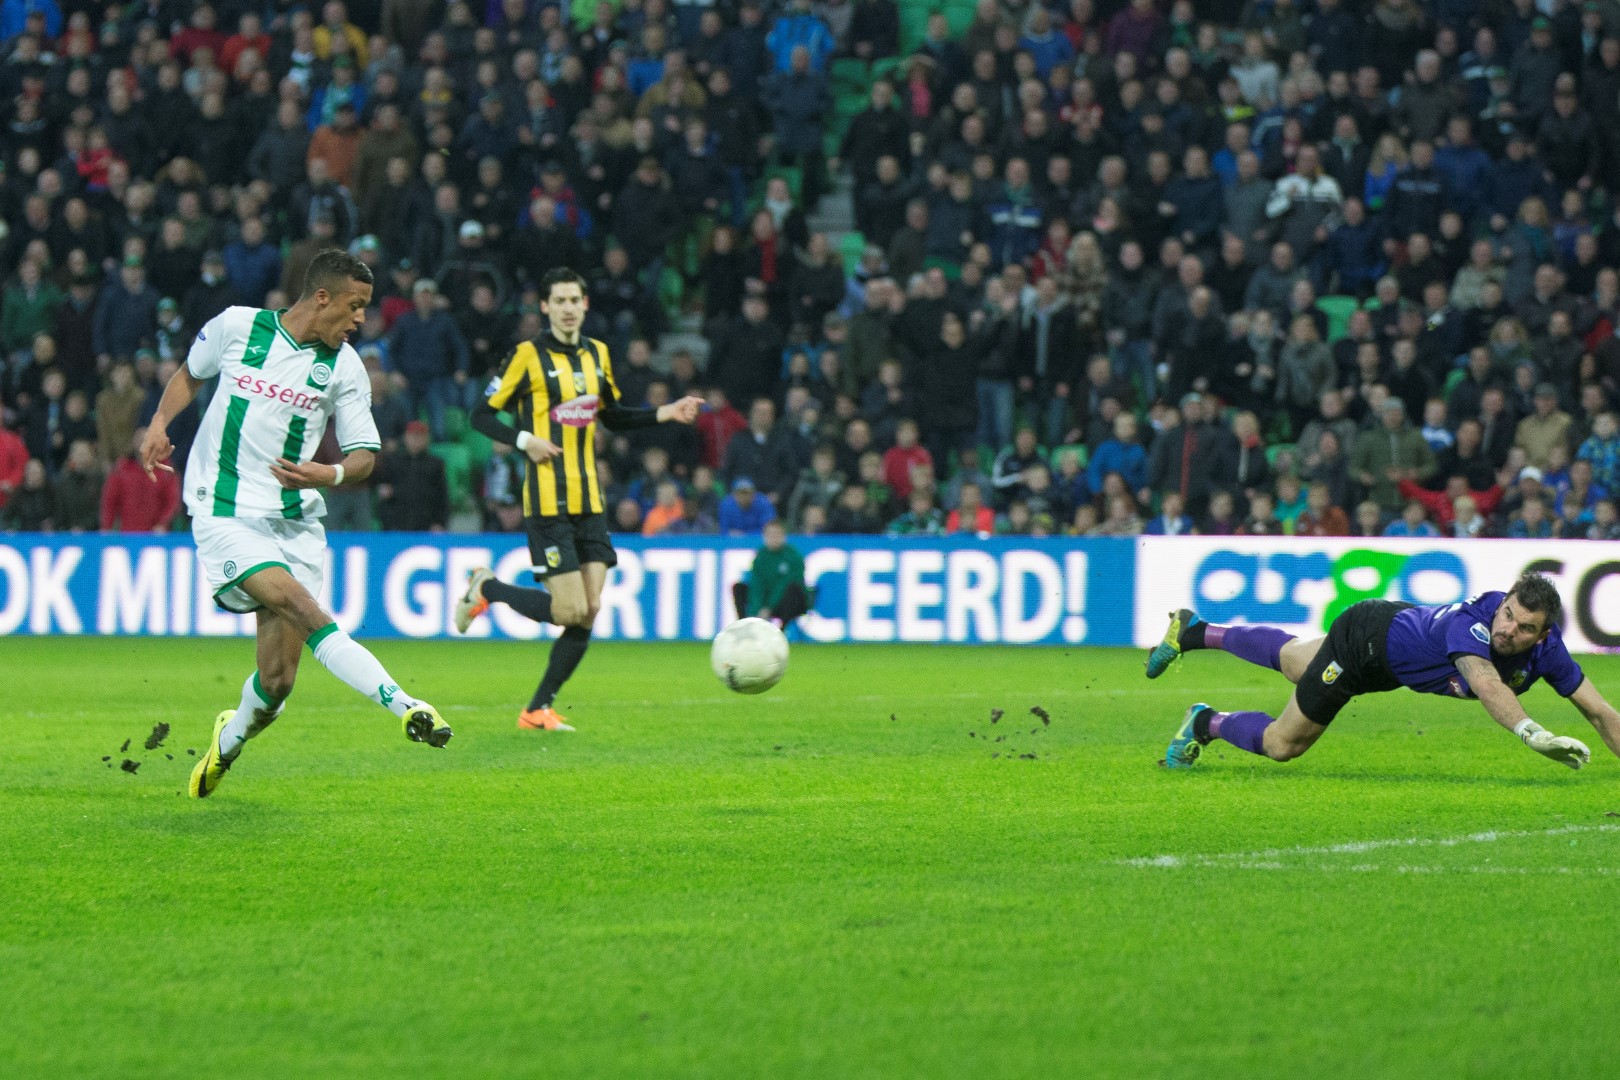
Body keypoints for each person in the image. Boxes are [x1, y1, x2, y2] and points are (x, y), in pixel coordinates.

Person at [140, 249, 451, 799]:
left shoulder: (345, 367)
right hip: (225, 511)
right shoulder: (237, 327)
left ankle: (228, 741)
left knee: (278, 682)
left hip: (295, 521)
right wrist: (160, 422)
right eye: (355, 306)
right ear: (322, 297)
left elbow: (364, 455)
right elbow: (190, 374)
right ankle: (406, 705)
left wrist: (328, 473)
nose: (362, 319)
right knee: (302, 607)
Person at [454, 269, 704, 732]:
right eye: (559, 300)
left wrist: (667, 411)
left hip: (590, 500)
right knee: (568, 611)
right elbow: (480, 415)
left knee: (588, 611)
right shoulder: (526, 356)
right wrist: (524, 440)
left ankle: (537, 710)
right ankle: (486, 588)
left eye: (575, 300)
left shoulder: (598, 354)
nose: (568, 308)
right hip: (547, 503)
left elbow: (612, 415)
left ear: (585, 305)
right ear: (545, 307)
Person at [1144, 574, 1620, 772]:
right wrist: (1534, 734)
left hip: (1390, 644)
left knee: (1292, 659)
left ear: (1543, 635)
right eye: (1508, 614)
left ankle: (1196, 630)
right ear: (1504, 603)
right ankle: (1205, 722)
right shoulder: (1472, 624)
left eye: (1525, 628)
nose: (1509, 630)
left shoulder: (1549, 652)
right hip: (1363, 647)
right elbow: (1485, 682)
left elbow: (1598, 710)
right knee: (1283, 745)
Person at [731, 519, 812, 630]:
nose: (774, 538)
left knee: (793, 588)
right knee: (738, 588)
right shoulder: (761, 556)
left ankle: (781, 631)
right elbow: (756, 584)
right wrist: (757, 609)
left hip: (786, 604)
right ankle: (745, 627)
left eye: (777, 534)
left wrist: (768, 608)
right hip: (765, 602)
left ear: (784, 536)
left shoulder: (793, 556)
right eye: (770, 534)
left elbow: (784, 585)